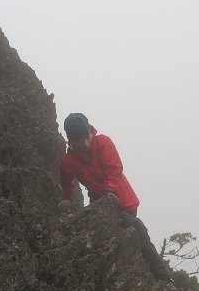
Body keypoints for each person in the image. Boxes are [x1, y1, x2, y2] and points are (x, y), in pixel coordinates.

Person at [60, 113, 170, 281]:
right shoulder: (68, 161)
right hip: (101, 203)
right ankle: (144, 275)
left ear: (90, 131)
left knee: (136, 231)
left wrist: (110, 190)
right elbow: (67, 184)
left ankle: (161, 277)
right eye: (79, 140)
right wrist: (66, 203)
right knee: (123, 238)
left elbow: (114, 169)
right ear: (71, 141)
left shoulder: (103, 142)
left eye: (87, 137)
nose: (85, 143)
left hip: (123, 200)